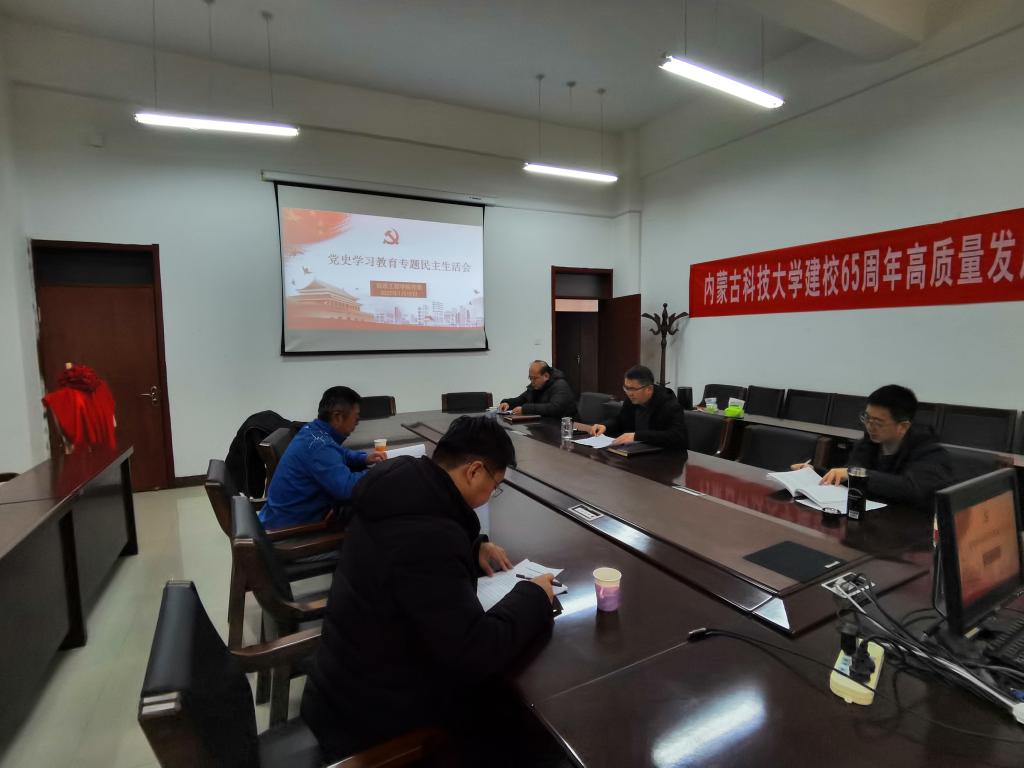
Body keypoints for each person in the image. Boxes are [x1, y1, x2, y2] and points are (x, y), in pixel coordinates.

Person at [301, 415, 557, 763]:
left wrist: (472, 547)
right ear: (474, 471)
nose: (490, 496)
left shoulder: (396, 490)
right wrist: (534, 595)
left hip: (342, 683)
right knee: (520, 724)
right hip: (371, 717)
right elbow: (475, 651)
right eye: (495, 485)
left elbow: (403, 558)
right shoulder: (430, 538)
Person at [258, 386, 386, 530]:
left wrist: (364, 458)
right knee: (375, 515)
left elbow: (339, 453)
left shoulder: (313, 432)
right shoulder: (319, 447)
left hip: (280, 517)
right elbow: (347, 489)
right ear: (337, 416)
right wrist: (380, 472)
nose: (357, 423)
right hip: (291, 531)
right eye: (356, 418)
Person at [810, 384, 952, 511]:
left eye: (878, 423)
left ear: (903, 426)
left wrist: (858, 474)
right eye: (867, 418)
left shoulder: (929, 451)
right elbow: (849, 475)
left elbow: (911, 489)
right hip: (872, 518)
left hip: (909, 524)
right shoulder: (868, 443)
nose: (870, 426)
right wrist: (814, 471)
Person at [589, 364, 688, 452]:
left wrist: (637, 436)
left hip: (664, 458)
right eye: (626, 388)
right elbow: (621, 419)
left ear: (649, 389)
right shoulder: (632, 399)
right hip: (635, 453)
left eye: (633, 389)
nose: (629, 393)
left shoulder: (669, 404)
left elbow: (677, 436)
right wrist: (605, 426)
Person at [499, 360, 576, 418]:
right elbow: (521, 399)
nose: (532, 382)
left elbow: (555, 408)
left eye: (535, 378)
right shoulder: (535, 386)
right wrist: (508, 404)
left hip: (567, 427)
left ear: (546, 376)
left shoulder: (560, 385)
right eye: (530, 378)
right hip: (544, 425)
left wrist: (525, 409)